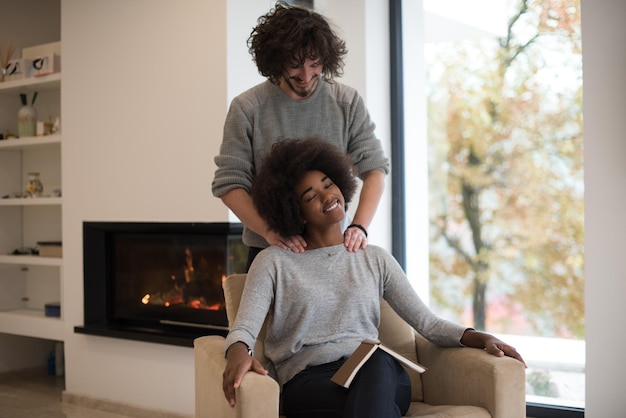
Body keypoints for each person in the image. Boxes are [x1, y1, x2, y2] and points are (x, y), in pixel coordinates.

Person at [222, 138, 526, 418]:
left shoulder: (374, 258)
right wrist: (237, 353)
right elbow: (244, 328)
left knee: (378, 361)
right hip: (312, 383)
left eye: (328, 184)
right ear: (295, 213)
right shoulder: (274, 261)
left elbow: (427, 323)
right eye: (311, 196)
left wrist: (483, 337)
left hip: (378, 373)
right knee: (377, 392)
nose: (328, 195)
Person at [211, 2, 390, 269]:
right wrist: (270, 232)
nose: (306, 76)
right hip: (269, 252)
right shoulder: (247, 108)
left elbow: (375, 169)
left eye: (314, 64)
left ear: (325, 58)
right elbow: (229, 184)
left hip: (333, 250)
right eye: (294, 66)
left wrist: (359, 227)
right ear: (274, 60)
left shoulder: (346, 102)